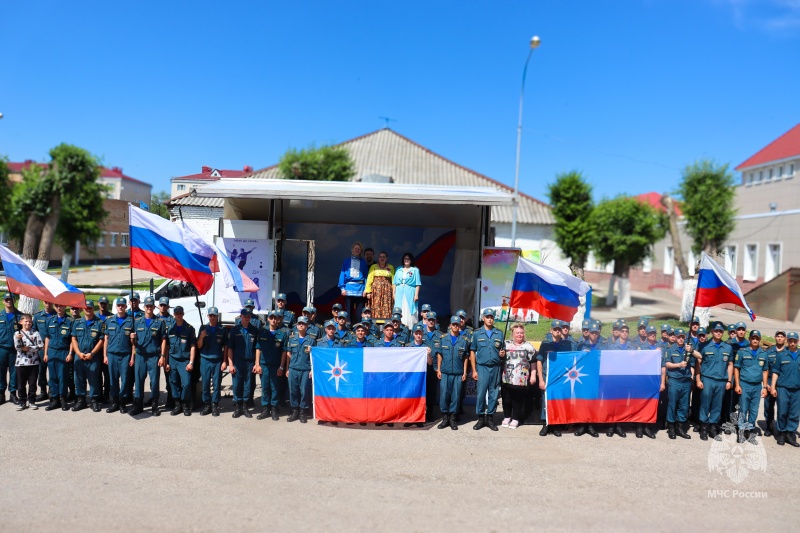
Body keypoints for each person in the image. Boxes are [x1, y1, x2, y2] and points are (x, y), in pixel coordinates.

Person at [692, 322, 734, 441]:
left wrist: (729, 380)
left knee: (717, 405)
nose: (718, 333)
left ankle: (713, 427)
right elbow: (698, 362)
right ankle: (704, 427)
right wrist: (698, 379)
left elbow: (730, 365)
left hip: (721, 380)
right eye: (716, 331)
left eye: (720, 331)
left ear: (723, 333)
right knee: (705, 404)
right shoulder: (704, 346)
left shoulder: (728, 347)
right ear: (712, 332)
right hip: (707, 379)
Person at [130, 297, 167, 416]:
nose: (149, 308)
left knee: (154, 381)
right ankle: (138, 405)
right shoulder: (137, 322)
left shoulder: (159, 322)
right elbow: (133, 343)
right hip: (140, 355)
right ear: (144, 307)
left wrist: (162, 356)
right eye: (147, 306)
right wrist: (132, 339)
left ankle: (154, 406)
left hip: (153, 356)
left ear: (153, 307)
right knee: (139, 381)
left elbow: (163, 340)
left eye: (151, 306)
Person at [469, 308, 505, 431]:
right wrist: (474, 370)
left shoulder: (499, 333)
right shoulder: (477, 333)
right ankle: (480, 418)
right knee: (480, 394)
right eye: (487, 317)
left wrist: (502, 354)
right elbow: (472, 351)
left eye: (491, 317)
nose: (490, 319)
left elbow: (502, 351)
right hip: (482, 367)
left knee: (494, 393)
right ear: (483, 318)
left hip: (495, 367)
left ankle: (490, 418)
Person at [538, 320, 575, 437]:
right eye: (555, 329)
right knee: (546, 401)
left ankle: (555, 425)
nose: (558, 331)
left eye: (559, 329)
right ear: (551, 331)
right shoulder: (545, 344)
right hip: (547, 377)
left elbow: (572, 360)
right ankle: (546, 424)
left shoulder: (567, 345)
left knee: (557, 401)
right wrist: (541, 380)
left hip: (560, 379)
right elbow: (539, 361)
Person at [70, 300, 105, 413]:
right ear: (83, 309)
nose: (88, 310)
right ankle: (81, 400)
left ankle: (94, 400)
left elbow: (101, 340)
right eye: (86, 308)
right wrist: (78, 353)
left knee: (93, 378)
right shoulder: (77, 322)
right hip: (79, 355)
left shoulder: (99, 323)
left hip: (93, 356)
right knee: (78, 378)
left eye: (90, 308)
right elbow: (74, 339)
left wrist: (92, 353)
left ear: (93, 308)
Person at [734, 330, 768, 442]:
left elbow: (765, 370)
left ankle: (749, 429)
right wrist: (737, 384)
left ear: (759, 340)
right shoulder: (742, 352)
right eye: (753, 338)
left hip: (757, 386)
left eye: (757, 338)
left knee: (754, 410)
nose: (755, 340)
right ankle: (741, 430)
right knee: (743, 409)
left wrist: (764, 387)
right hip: (745, 384)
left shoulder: (763, 353)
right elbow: (736, 368)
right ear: (749, 339)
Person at [255, 310, 289, 421]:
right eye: (271, 317)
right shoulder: (262, 332)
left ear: (278, 319)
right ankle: (265, 409)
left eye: (275, 318)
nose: (274, 320)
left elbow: (284, 352)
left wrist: (281, 367)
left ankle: (274, 409)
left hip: (275, 366)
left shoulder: (282, 334)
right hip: (264, 365)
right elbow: (258, 348)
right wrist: (257, 364)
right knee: (265, 387)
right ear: (268, 319)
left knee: (275, 388)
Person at [501, 323, 536, 429]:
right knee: (506, 398)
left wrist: (533, 375)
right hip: (507, 377)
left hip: (521, 379)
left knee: (517, 400)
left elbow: (533, 362)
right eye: (517, 333)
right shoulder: (506, 344)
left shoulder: (528, 346)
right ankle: (507, 417)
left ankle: (515, 418)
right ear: (512, 334)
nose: (519, 335)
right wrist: (501, 354)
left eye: (521, 333)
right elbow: (500, 358)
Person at [436, 316, 469, 430]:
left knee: (456, 396)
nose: (455, 326)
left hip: (458, 373)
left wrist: (464, 372)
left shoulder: (464, 340)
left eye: (457, 324)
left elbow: (465, 357)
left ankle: (453, 419)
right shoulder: (443, 339)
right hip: (445, 372)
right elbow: (439, 354)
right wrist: (439, 369)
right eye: (453, 324)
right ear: (450, 325)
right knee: (444, 395)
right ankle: (445, 418)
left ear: (460, 326)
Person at [104, 298, 135, 413]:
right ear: (116, 307)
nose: (120, 307)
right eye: (119, 305)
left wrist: (132, 357)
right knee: (113, 379)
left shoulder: (131, 321)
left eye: (122, 305)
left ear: (126, 307)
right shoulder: (109, 320)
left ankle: (122, 402)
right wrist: (105, 355)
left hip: (125, 354)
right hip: (111, 354)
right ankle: (115, 402)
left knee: (125, 379)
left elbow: (133, 344)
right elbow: (106, 339)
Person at [227, 308, 259, 419]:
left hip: (250, 362)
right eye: (245, 315)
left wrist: (256, 363)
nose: (247, 317)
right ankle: (238, 407)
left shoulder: (254, 330)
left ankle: (245, 407)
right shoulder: (234, 330)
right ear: (241, 316)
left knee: (248, 385)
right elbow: (230, 348)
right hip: (238, 362)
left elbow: (257, 349)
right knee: (237, 385)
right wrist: (230, 364)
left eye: (249, 316)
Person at [770, 331, 800, 446]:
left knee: (794, 413)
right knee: (782, 411)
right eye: (790, 341)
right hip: (783, 388)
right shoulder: (781, 355)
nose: (792, 343)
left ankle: (790, 433)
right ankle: (781, 433)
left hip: (797, 389)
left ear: (798, 341)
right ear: (788, 341)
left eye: (794, 341)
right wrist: (773, 387)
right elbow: (776, 372)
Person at [662, 328, 693, 439]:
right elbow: (667, 364)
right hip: (674, 380)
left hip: (686, 381)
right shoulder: (670, 349)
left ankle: (680, 428)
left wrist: (691, 351)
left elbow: (695, 361)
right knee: (672, 404)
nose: (680, 339)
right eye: (679, 337)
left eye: (682, 337)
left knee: (684, 405)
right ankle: (671, 427)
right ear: (675, 338)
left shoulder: (688, 349)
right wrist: (679, 365)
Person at [166, 306, 196, 416]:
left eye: (180, 313)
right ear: (174, 314)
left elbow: (193, 346)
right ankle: (177, 404)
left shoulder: (189, 328)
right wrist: (166, 362)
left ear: (183, 314)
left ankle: (185, 404)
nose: (178, 315)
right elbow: (167, 346)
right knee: (174, 383)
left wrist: (191, 362)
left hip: (184, 360)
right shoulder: (170, 328)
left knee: (186, 383)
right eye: (177, 313)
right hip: (173, 359)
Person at [197, 307, 227, 417]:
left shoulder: (222, 329)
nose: (212, 317)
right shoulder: (203, 328)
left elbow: (226, 347)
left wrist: (225, 361)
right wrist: (201, 336)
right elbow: (199, 346)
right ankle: (207, 404)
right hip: (205, 359)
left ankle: (215, 404)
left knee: (217, 384)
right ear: (208, 316)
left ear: (217, 316)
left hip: (217, 360)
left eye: (214, 315)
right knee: (205, 383)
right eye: (211, 315)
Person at [43, 304, 73, 411]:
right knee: (53, 377)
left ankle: (63, 399)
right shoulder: (49, 320)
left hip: (63, 352)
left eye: (61, 306)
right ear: (55, 307)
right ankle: (54, 400)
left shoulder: (70, 321)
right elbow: (47, 338)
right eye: (57, 306)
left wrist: (70, 353)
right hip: (52, 351)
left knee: (63, 377)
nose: (59, 308)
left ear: (65, 307)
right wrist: (46, 353)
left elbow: (72, 340)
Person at [284, 316, 315, 423]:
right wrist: (288, 368)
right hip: (293, 369)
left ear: (307, 326)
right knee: (293, 390)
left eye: (303, 324)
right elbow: (289, 353)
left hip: (305, 369)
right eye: (299, 323)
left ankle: (303, 411)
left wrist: (312, 369)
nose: (301, 325)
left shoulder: (311, 340)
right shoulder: (292, 338)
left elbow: (314, 356)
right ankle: (294, 411)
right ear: (297, 325)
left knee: (304, 391)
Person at [14, 314, 43, 411]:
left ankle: (32, 400)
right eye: (26, 321)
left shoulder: (35, 333)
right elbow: (17, 348)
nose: (28, 323)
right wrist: (18, 340)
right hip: (21, 362)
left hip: (33, 362)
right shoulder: (17, 334)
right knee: (21, 384)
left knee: (32, 383)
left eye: (30, 321)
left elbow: (40, 346)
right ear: (21, 322)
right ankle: (22, 401)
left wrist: (29, 349)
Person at [0, 293, 23, 406]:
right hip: (2, 348)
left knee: (14, 372)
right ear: (4, 301)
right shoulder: (0, 315)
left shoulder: (20, 317)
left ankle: (13, 394)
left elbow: (27, 331)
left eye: (11, 299)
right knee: (1, 371)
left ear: (15, 300)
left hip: (15, 349)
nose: (9, 301)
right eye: (7, 300)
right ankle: (1, 393)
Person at [764, 329, 786, 437]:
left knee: (782, 407)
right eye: (778, 336)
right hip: (769, 381)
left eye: (782, 336)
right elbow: (765, 368)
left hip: (782, 383)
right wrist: (766, 384)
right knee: (768, 406)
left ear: (785, 338)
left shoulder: (788, 352)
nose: (780, 338)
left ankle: (781, 428)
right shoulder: (769, 352)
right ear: (775, 337)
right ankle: (769, 426)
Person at [338, 242, 369, 320]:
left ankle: (359, 327)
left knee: (359, 312)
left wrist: (366, 289)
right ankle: (348, 328)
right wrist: (342, 288)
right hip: (349, 289)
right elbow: (342, 274)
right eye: (356, 248)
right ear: (352, 250)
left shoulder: (364, 262)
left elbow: (366, 276)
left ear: (361, 251)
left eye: (359, 249)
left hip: (360, 289)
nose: (357, 250)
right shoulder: (346, 261)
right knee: (349, 311)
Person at [157, 297, 176, 410]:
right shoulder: (154, 318)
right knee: (154, 377)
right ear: (158, 305)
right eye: (161, 305)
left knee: (169, 377)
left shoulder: (172, 320)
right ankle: (154, 397)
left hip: (167, 352)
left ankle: (170, 399)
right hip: (155, 351)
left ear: (168, 306)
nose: (163, 307)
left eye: (165, 305)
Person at [393, 252, 421, 329]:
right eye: (405, 258)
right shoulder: (398, 269)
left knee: (409, 310)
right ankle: (399, 328)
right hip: (399, 292)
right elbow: (394, 282)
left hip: (410, 292)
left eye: (408, 259)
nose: (406, 260)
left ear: (411, 260)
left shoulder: (415, 270)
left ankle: (410, 329)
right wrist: (393, 293)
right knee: (399, 308)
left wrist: (416, 295)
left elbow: (417, 284)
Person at [364, 251, 395, 320]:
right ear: (378, 258)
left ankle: (386, 325)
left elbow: (393, 282)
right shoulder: (373, 267)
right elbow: (369, 280)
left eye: (384, 257)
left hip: (387, 291)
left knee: (386, 307)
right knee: (376, 306)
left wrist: (394, 293)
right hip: (376, 291)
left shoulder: (391, 267)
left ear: (386, 258)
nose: (382, 258)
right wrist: (368, 292)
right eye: (380, 257)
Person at [96, 296, 113, 403]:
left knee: (108, 374)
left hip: (107, 349)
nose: (103, 305)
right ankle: (99, 394)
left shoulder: (111, 317)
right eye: (101, 303)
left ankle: (107, 393)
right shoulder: (95, 316)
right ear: (98, 304)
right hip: (97, 349)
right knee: (97, 374)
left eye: (105, 303)